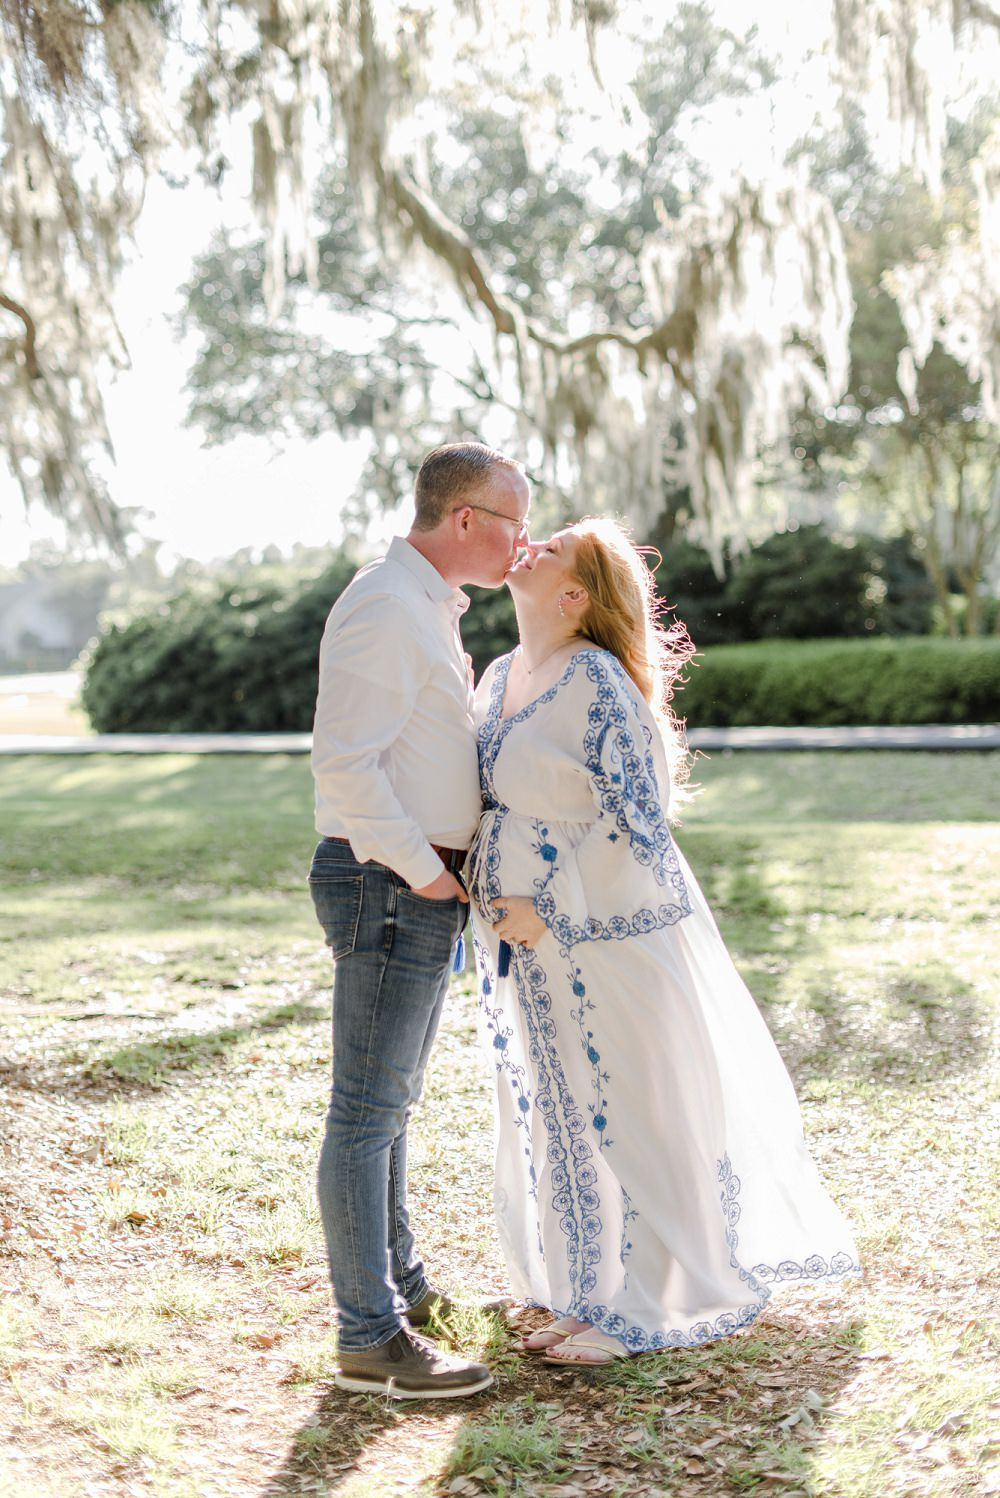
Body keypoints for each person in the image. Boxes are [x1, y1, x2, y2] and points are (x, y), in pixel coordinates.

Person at [466, 516, 859, 1366]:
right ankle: (585, 1288)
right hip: (520, 949)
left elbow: (638, 826)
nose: (527, 544)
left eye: (553, 547)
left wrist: (551, 901)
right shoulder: (498, 677)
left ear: (575, 595)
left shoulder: (598, 682)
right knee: (556, 1106)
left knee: (633, 1109)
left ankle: (661, 1297)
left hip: (607, 934)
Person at [309, 441, 530, 1398]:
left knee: (388, 1108)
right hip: (390, 885)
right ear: (466, 520)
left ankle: (402, 1289)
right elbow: (344, 768)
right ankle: (369, 1338)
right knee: (365, 1114)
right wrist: (427, 875)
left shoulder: (428, 606)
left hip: (419, 887)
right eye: (515, 523)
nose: (525, 542)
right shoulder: (386, 606)